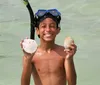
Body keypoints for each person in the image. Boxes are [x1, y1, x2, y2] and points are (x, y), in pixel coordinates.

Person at [20, 9, 77, 85]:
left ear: (58, 30)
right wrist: (27, 59)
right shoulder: (31, 55)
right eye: (43, 26)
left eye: (52, 26)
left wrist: (69, 58)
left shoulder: (64, 53)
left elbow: (72, 83)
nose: (48, 30)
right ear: (37, 30)